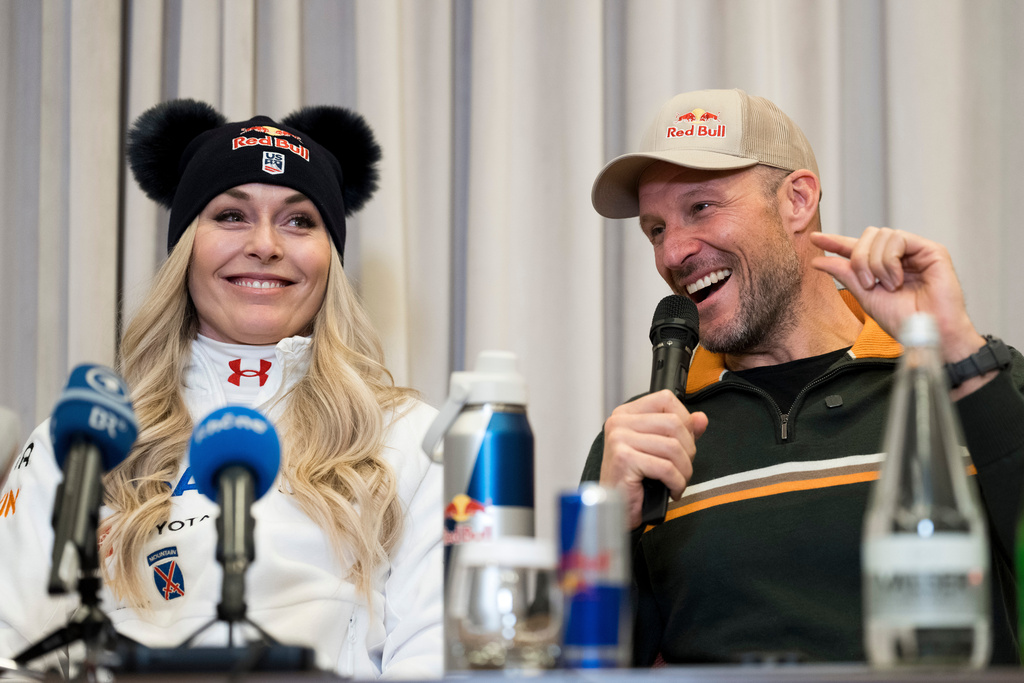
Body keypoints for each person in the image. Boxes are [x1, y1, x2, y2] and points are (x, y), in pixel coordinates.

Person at [0, 99, 442, 678]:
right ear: (186, 247)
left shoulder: (415, 438)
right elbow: (11, 651)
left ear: (330, 257)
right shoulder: (84, 439)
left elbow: (438, 657)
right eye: (231, 215)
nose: (265, 244)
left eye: (298, 219)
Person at [582, 89, 1024, 665]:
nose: (674, 252)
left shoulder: (968, 378)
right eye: (656, 228)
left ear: (796, 200)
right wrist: (605, 531)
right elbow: (586, 665)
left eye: (702, 207)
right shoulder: (644, 437)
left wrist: (956, 350)